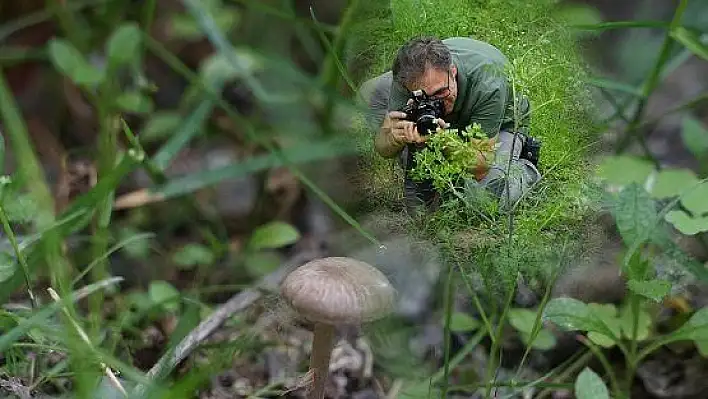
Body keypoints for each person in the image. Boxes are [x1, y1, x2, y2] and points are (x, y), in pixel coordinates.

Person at [359, 36, 541, 216]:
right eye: (425, 98)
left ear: (453, 72)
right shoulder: (407, 82)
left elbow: (480, 166)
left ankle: (525, 171)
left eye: (440, 92)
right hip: (442, 112)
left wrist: (442, 139)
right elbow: (382, 148)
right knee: (371, 92)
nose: (435, 102)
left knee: (485, 197)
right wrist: (394, 138)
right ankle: (424, 151)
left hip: (502, 122)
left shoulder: (488, 84)